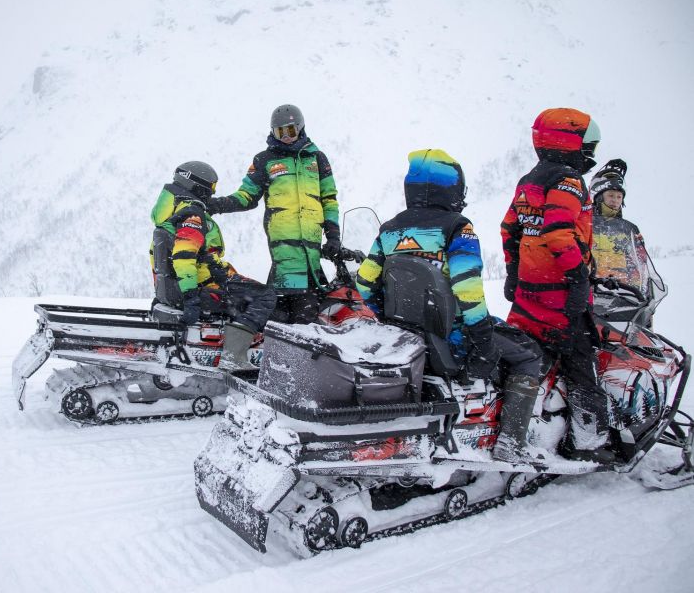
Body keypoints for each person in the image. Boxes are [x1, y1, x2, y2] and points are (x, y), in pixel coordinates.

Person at [356, 149, 544, 464]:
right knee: (529, 356)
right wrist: (482, 340)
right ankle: (511, 442)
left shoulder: (389, 230)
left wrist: (389, 317)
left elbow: (365, 284)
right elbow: (467, 289)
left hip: (411, 341)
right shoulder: (457, 228)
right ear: (452, 187)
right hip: (453, 339)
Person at [500, 108, 616, 464]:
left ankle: (520, 426)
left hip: (528, 296)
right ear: (570, 143)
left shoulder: (528, 180)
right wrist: (579, 277)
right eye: (588, 144)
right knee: (582, 369)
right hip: (561, 298)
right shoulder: (568, 181)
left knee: (530, 362)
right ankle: (589, 441)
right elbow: (558, 232)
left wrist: (514, 272)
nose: (590, 152)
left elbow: (511, 229)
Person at [208, 104, 340, 324]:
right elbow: (247, 196)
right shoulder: (265, 160)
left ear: (300, 127)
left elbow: (329, 199)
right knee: (287, 316)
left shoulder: (317, 159)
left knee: (311, 312)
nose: (286, 137)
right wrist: (216, 205)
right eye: (280, 132)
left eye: (290, 130)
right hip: (283, 251)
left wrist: (333, 236)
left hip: (313, 251)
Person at [150, 161, 276, 369]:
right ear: (199, 187)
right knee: (265, 296)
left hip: (193, 285)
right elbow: (184, 256)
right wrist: (191, 297)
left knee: (250, 289)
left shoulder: (172, 211)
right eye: (211, 189)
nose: (211, 194)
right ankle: (233, 355)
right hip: (203, 287)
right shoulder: (192, 213)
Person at [590, 159, 651, 294]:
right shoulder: (586, 224)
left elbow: (639, 265)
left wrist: (639, 294)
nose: (615, 200)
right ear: (599, 197)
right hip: (590, 291)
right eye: (610, 195)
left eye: (619, 197)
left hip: (622, 294)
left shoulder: (630, 230)